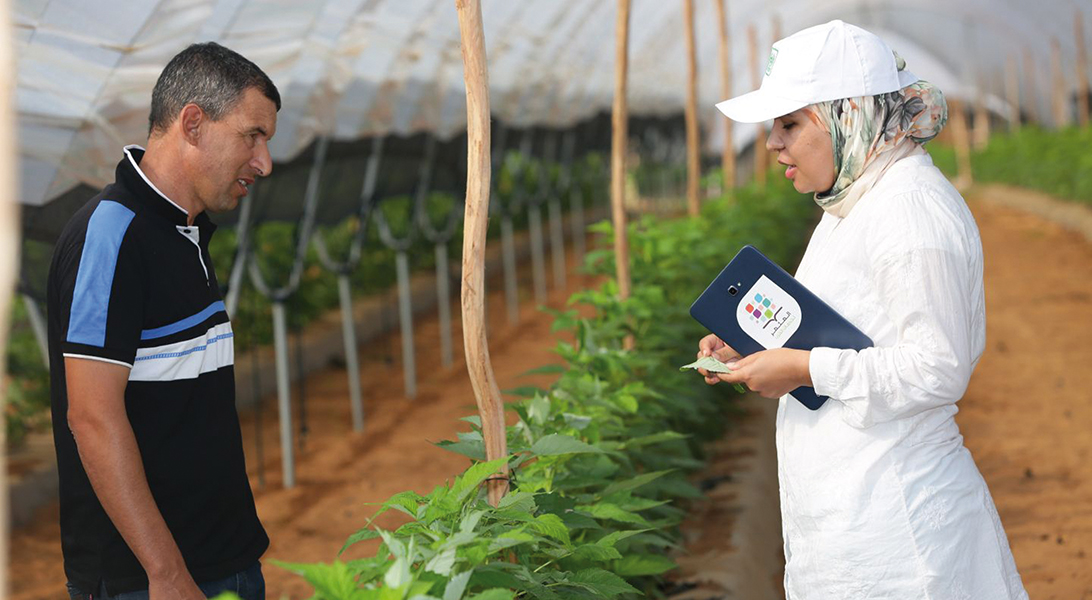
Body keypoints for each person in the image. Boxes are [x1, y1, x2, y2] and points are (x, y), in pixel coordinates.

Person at [697, 20, 1028, 599]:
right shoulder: (850, 204)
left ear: (848, 115)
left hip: (901, 533)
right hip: (853, 517)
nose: (773, 144)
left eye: (789, 124)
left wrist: (801, 370)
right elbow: (850, 330)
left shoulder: (909, 211)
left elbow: (936, 367)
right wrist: (748, 344)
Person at [47, 42, 279, 600]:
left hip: (224, 560)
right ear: (193, 124)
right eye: (253, 136)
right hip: (152, 581)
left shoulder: (186, 232)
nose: (264, 163)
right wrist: (166, 572)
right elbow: (93, 417)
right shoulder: (110, 235)